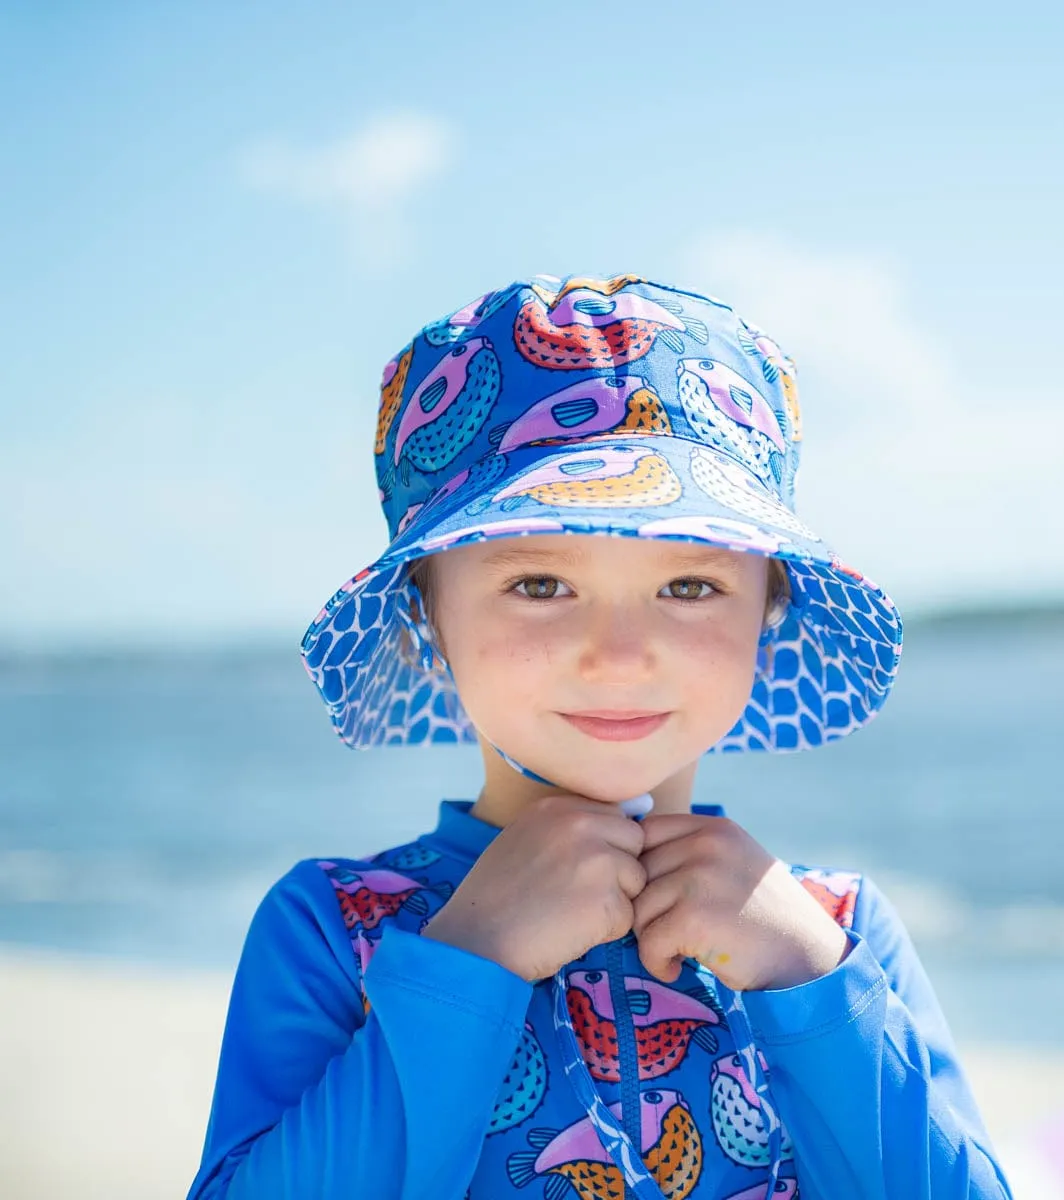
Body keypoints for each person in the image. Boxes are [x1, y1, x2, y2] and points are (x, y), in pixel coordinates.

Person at [187, 274, 1012, 1198]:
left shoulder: (837, 933)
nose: (619, 656)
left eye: (690, 587)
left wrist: (805, 981)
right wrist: (469, 959)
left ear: (768, 613)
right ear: (427, 617)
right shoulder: (336, 929)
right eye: (541, 585)